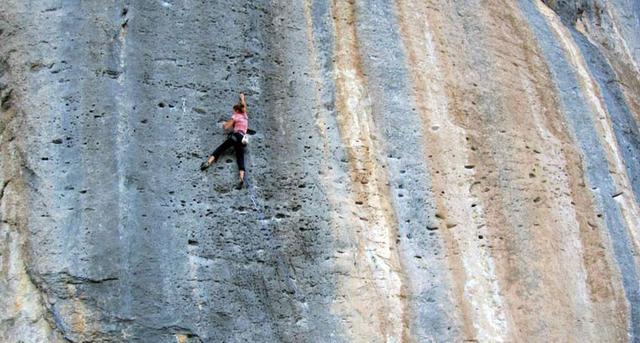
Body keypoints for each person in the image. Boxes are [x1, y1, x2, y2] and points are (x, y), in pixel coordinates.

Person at [200, 93, 248, 189]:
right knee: (240, 158)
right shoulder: (245, 116)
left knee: (221, 148)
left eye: (233, 111)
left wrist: (225, 123)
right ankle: (241, 178)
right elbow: (244, 105)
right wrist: (242, 98)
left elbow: (226, 127)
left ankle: (208, 163)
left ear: (236, 110)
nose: (233, 112)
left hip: (235, 136)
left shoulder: (235, 116)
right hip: (243, 139)